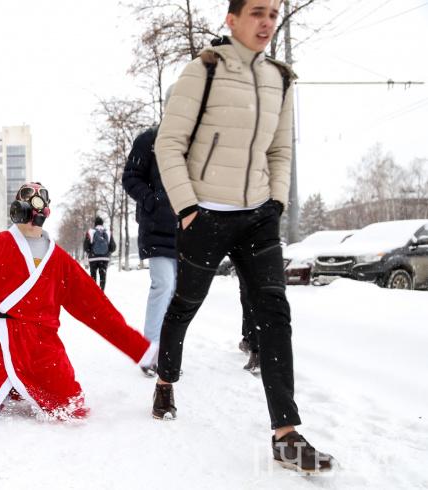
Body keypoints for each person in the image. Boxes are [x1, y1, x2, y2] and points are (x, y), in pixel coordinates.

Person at [151, 0, 333, 473]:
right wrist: (189, 208)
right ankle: (166, 380)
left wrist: (275, 203)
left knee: (275, 312)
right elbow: (168, 143)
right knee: (185, 305)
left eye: (273, 12)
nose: (267, 21)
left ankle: (286, 433)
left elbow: (280, 148)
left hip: (258, 218)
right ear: (232, 20)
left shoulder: (280, 79)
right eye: (257, 12)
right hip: (206, 216)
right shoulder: (203, 71)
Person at [0, 182, 155, 423]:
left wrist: (138, 348)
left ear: (46, 209)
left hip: (42, 347)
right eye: (25, 196)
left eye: (37, 198)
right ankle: (8, 384)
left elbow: (97, 309)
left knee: (71, 408)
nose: (31, 204)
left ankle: (17, 385)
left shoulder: (60, 261)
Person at [122, 125, 178, 377]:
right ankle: (150, 351)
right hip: (156, 227)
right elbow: (130, 177)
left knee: (179, 294)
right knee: (163, 285)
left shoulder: (193, 138)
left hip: (187, 229)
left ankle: (169, 352)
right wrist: (153, 201)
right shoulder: (150, 139)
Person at [83, 217, 116, 290]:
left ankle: (94, 294)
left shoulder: (91, 232)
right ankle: (102, 293)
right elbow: (113, 247)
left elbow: (86, 246)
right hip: (104, 258)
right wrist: (107, 252)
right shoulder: (108, 232)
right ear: (102, 223)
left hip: (93, 258)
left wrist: (90, 252)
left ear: (95, 224)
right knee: (103, 276)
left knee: (93, 276)